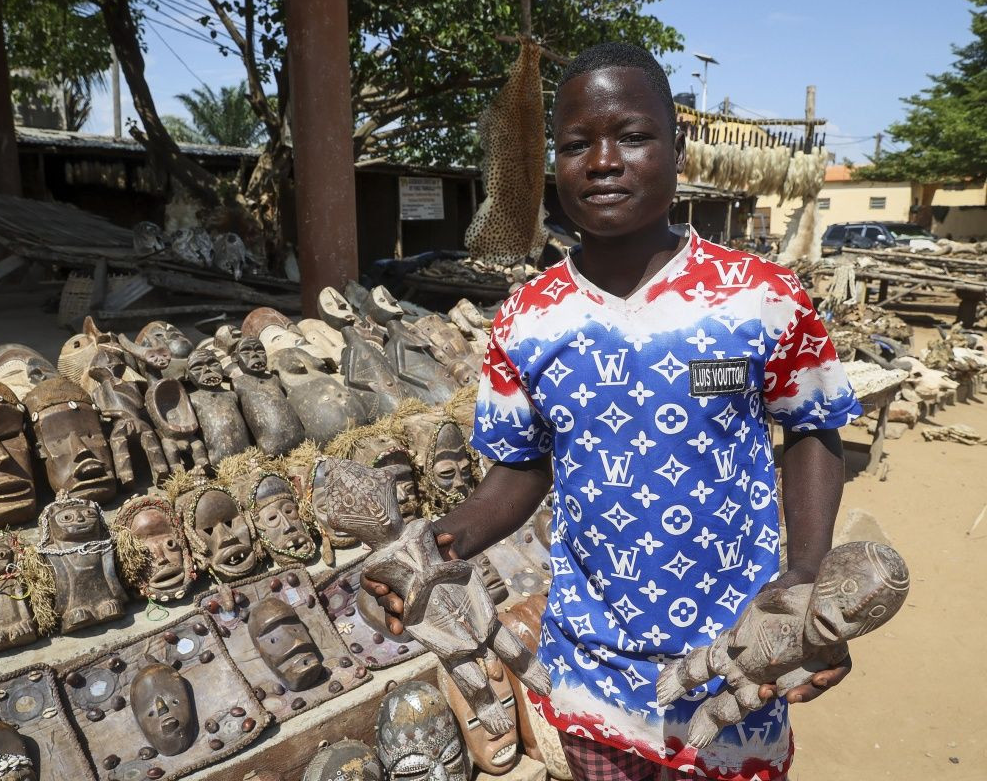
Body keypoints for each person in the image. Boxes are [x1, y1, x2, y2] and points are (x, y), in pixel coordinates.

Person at [364, 42, 862, 781]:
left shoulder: (758, 295)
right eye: (574, 144)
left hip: (732, 659)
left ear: (678, 147)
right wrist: (437, 545)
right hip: (593, 668)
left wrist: (809, 573)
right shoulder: (527, 320)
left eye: (632, 135)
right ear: (551, 163)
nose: (602, 160)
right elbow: (522, 470)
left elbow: (813, 425)